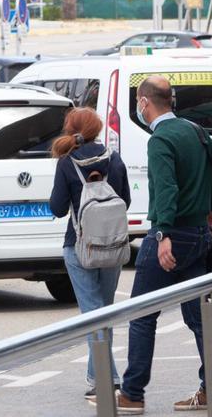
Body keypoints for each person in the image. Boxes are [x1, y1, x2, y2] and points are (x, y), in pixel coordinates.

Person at [115, 76, 212, 414]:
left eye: (138, 103)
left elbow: (165, 188)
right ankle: (211, 387)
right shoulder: (194, 130)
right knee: (198, 317)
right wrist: (206, 204)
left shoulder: (161, 139)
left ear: (144, 103)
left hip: (172, 236)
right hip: (199, 235)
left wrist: (163, 233)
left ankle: (132, 393)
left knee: (141, 314)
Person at [49, 107, 131, 399]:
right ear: (97, 128)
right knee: (103, 313)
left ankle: (105, 380)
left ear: (70, 129)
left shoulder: (67, 162)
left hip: (79, 247)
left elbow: (58, 208)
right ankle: (101, 376)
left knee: (93, 315)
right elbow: (126, 200)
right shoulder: (114, 158)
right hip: (113, 245)